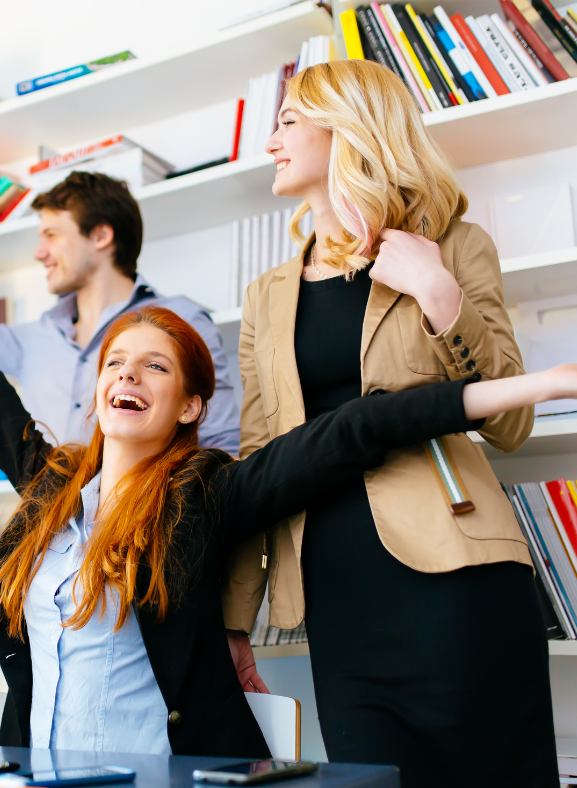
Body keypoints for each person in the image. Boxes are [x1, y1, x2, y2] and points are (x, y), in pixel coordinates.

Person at [0, 280, 576, 759]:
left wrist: (539, 385)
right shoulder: (51, 487)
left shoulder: (206, 494)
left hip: (164, 776)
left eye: (155, 368)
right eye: (116, 363)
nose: (127, 376)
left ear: (192, 406)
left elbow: (355, 428)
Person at [237, 59, 556, 786]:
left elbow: (511, 423)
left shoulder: (453, 244)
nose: (271, 142)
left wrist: (439, 291)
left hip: (459, 582)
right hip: (336, 600)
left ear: (346, 126)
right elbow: (258, 465)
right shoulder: (266, 294)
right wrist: (233, 619)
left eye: (287, 121)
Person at [0, 158, 266, 690]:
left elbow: (219, 457)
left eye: (51, 235)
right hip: (57, 562)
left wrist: (221, 610)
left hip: (147, 563)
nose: (39, 252)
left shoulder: (174, 324)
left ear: (101, 236)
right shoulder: (36, 336)